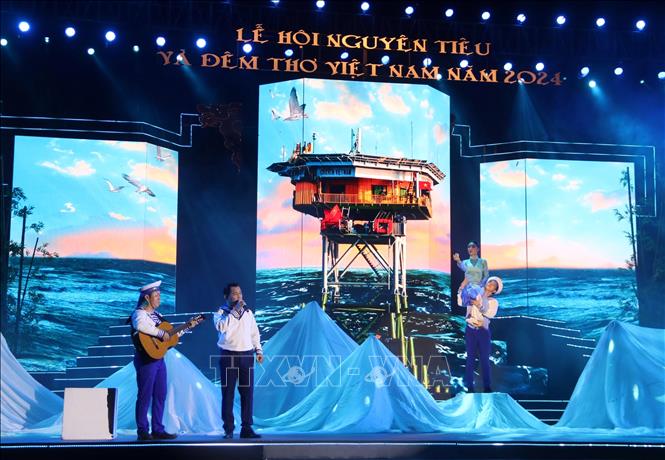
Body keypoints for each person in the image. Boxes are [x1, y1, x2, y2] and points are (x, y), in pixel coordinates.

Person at [129, 280, 178, 441]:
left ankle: (158, 429)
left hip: (159, 358)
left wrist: (181, 330)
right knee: (145, 395)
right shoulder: (139, 313)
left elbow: (167, 336)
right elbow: (141, 326)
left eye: (159, 295)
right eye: (156, 295)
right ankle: (142, 430)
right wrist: (160, 333)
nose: (159, 298)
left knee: (160, 394)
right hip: (146, 359)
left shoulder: (158, 316)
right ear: (147, 298)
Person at [214, 283, 264, 439]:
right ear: (226, 296)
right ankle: (228, 429)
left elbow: (254, 332)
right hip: (228, 355)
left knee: (247, 393)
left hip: (246, 355)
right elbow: (221, 327)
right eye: (234, 293)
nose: (239, 296)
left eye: (240, 293)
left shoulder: (248, 312)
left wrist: (258, 350)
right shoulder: (221, 312)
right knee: (228, 393)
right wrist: (235, 311)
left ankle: (246, 428)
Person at [461, 276, 502, 393]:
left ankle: (487, 387)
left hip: (483, 332)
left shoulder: (493, 302)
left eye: (493, 284)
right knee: (470, 359)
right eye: (490, 282)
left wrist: (479, 305)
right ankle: (469, 387)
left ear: (494, 290)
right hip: (470, 330)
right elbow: (462, 302)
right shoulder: (475, 295)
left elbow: (490, 314)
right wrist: (463, 286)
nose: (490, 284)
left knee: (484, 359)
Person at [453, 241, 489, 306]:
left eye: (473, 246)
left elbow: (486, 275)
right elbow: (466, 270)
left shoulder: (483, 262)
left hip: (478, 289)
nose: (470, 248)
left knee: (478, 307)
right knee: (468, 308)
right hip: (467, 289)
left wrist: (480, 285)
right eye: (469, 247)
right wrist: (458, 260)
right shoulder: (464, 262)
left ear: (478, 249)